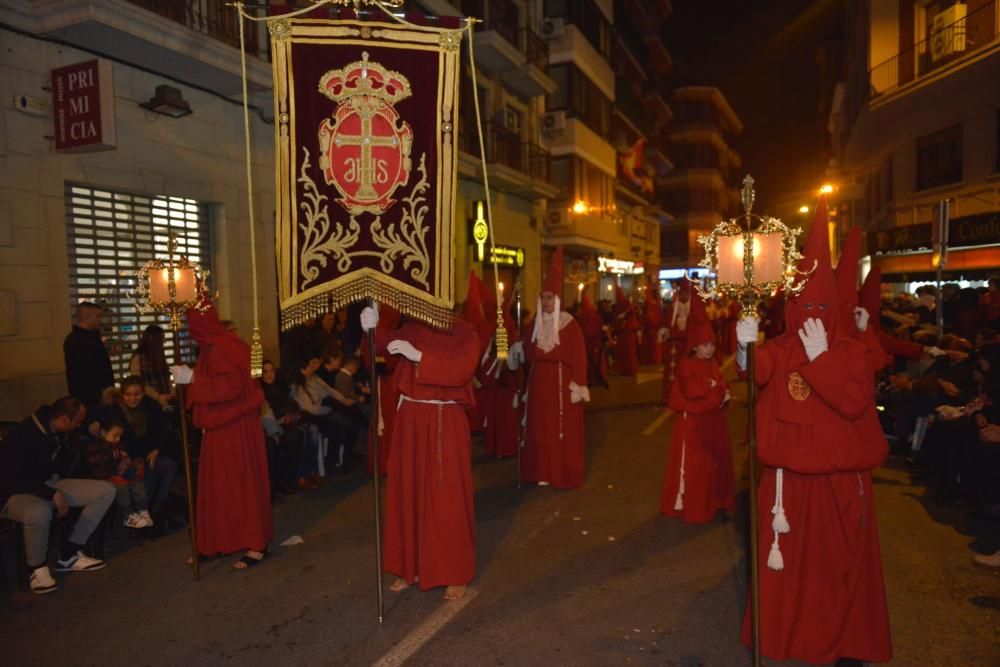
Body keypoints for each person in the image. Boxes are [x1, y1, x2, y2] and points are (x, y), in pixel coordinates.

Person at [736, 211, 892, 665]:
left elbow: (852, 401)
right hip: (786, 487)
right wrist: (745, 347)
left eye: (821, 309)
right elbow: (756, 373)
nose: (812, 318)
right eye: (804, 308)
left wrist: (822, 359)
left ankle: (838, 643)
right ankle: (785, 639)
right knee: (786, 574)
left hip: (835, 488)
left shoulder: (853, 354)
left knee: (831, 571)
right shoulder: (781, 349)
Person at [360, 303, 480, 600]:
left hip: (443, 419)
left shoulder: (466, 332)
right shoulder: (414, 327)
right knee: (408, 491)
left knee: (446, 495)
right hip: (410, 418)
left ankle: (454, 570)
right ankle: (410, 566)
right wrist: (370, 330)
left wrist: (421, 358)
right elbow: (383, 352)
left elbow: (462, 369)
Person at [173, 299, 272, 570]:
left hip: (235, 428)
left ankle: (255, 543)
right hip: (220, 428)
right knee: (217, 488)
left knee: (241, 486)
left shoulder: (223, 347)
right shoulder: (211, 347)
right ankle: (215, 541)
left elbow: (233, 386)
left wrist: (193, 379)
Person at [0, 397, 115, 594]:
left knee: (105, 491)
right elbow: (9, 479)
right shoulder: (23, 435)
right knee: (39, 511)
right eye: (77, 422)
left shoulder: (55, 430)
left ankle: (70, 552)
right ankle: (36, 569)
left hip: (48, 483)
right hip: (14, 493)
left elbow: (63, 462)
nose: (79, 425)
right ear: (64, 419)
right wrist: (52, 493)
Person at [508, 248, 590, 488]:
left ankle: (560, 472)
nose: (545, 302)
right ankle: (541, 471)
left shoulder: (569, 325)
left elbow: (579, 356)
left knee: (558, 428)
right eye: (542, 297)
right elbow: (525, 351)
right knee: (538, 428)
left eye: (549, 298)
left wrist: (579, 383)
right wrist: (514, 351)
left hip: (560, 383)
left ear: (557, 299)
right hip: (537, 384)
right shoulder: (533, 325)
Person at [660, 291, 734, 524]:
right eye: (704, 345)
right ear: (695, 345)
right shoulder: (686, 364)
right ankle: (691, 504)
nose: (709, 349)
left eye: (712, 344)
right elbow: (693, 392)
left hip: (711, 421)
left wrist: (715, 389)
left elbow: (719, 388)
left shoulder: (711, 363)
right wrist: (715, 391)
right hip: (693, 425)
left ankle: (713, 500)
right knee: (695, 467)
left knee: (712, 465)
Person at [84, 416, 153, 529]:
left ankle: (142, 510)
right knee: (122, 487)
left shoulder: (117, 445)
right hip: (103, 477)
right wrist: (117, 456)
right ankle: (127, 515)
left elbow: (120, 462)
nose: (118, 439)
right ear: (103, 432)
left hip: (118, 474)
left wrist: (129, 464)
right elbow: (97, 461)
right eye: (115, 435)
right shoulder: (96, 445)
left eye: (120, 436)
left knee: (137, 482)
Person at [259, 360, 308, 494]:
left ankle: (291, 479)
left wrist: (290, 414)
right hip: (269, 427)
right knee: (288, 439)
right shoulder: (260, 390)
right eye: (265, 371)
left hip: (283, 423)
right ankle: (281, 483)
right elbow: (265, 414)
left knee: (299, 435)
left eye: (272, 371)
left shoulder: (280, 387)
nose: (269, 375)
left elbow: (291, 403)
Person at [63, 301, 115, 407]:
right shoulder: (76, 341)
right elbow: (85, 371)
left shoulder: (92, 337)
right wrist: (100, 394)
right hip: (90, 398)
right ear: (87, 317)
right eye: (98, 316)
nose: (100, 320)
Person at [659, 282, 691, 405]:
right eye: (682, 294)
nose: (684, 296)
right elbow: (664, 326)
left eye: (686, 294)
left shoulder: (692, 311)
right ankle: (670, 396)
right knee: (671, 372)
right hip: (673, 346)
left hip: (687, 346)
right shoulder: (671, 309)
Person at [129, 325, 175, 406]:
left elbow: (166, 377)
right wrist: (157, 396)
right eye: (161, 339)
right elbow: (138, 383)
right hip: (150, 403)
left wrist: (172, 392)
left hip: (166, 399)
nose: (163, 342)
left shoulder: (159, 356)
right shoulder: (138, 358)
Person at [577, 293, 607, 387]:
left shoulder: (585, 318)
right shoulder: (595, 317)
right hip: (593, 343)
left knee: (591, 362)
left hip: (591, 343)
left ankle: (592, 379)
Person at [612, 285, 640, 375]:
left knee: (628, 351)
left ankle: (628, 368)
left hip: (627, 332)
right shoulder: (623, 305)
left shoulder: (626, 305)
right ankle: (626, 368)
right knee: (625, 352)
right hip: (624, 332)